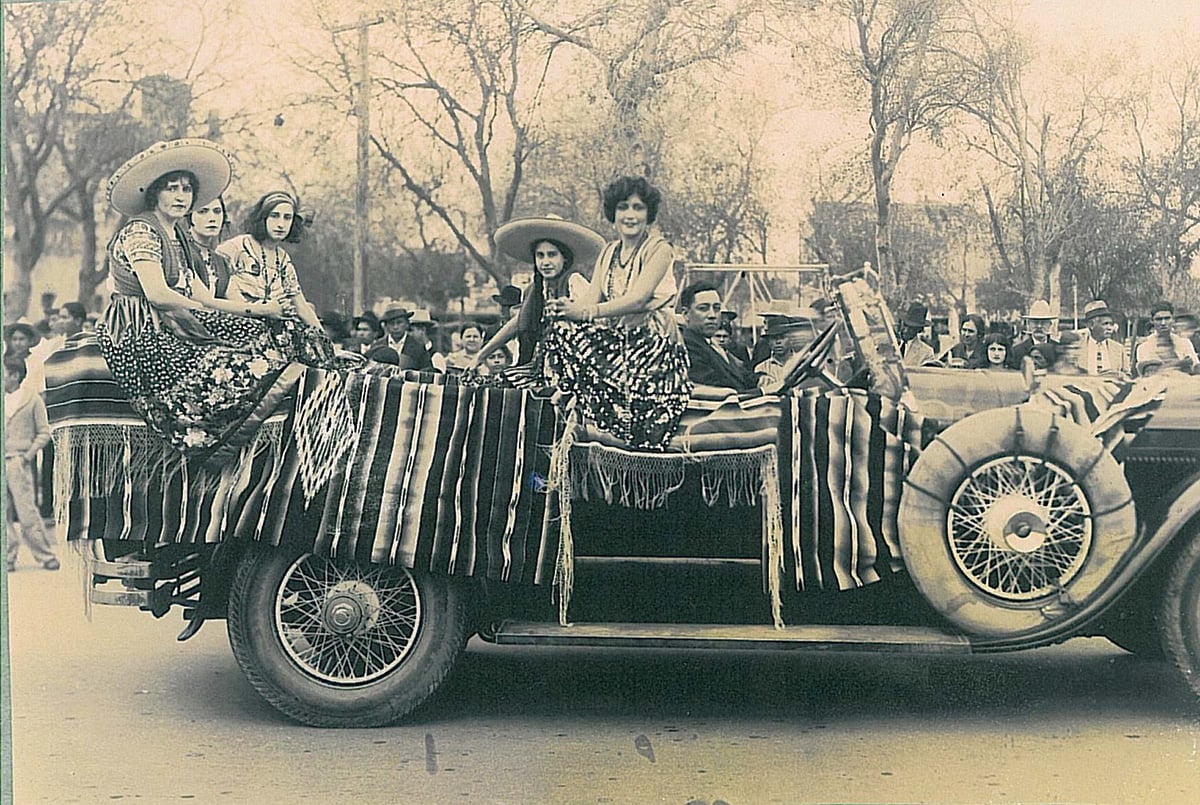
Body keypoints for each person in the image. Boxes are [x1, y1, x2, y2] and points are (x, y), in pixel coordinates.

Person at [95, 138, 323, 458]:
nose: (179, 196)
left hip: (176, 314)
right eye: (171, 188)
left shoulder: (179, 237)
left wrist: (256, 311)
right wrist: (204, 310)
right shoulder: (141, 232)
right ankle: (206, 433)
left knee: (277, 329)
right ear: (154, 193)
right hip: (137, 321)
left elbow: (204, 297)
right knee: (231, 354)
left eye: (186, 189)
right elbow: (158, 294)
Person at [540, 176, 691, 449]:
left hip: (653, 342)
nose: (630, 215)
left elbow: (637, 299)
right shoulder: (609, 252)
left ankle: (610, 398)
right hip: (617, 340)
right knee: (559, 329)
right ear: (613, 212)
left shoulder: (660, 249)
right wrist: (564, 308)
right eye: (623, 207)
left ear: (648, 214)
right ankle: (586, 398)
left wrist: (586, 313)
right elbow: (588, 300)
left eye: (638, 207)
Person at [471, 216, 604, 381]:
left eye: (552, 255)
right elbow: (518, 322)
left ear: (565, 258)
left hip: (575, 368)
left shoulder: (574, 282)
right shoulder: (536, 290)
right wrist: (481, 355)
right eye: (540, 256)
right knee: (499, 385)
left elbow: (595, 323)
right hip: (542, 365)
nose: (546, 262)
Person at [217, 191, 325, 336]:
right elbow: (218, 292)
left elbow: (302, 307)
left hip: (275, 332)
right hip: (239, 328)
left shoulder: (283, 260)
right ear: (263, 218)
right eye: (274, 216)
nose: (281, 224)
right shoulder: (235, 248)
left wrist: (328, 345)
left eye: (287, 218)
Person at [4, 357, 58, 572]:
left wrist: (28, 455)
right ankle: (7, 557)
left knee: (27, 512)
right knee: (3, 513)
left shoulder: (32, 399)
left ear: (15, 375)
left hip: (19, 461)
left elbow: (44, 432)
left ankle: (45, 555)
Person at [679, 281, 756, 391]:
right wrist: (762, 392)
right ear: (686, 314)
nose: (712, 315)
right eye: (703, 308)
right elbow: (715, 388)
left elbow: (740, 375)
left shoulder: (711, 344)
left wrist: (760, 378)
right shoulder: (688, 345)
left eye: (716, 308)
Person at [1136, 300, 1198, 376]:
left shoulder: (1184, 343)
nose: (1163, 323)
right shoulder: (1144, 347)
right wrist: (1181, 364)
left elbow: (1195, 366)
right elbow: (1151, 372)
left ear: (1173, 320)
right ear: (1152, 321)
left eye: (1167, 318)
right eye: (1158, 319)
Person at [188, 194, 232, 298]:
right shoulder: (183, 253)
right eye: (202, 211)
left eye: (217, 211)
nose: (212, 218)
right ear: (190, 216)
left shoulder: (221, 261)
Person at [1071, 300, 1129, 377]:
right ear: (1091, 325)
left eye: (1111, 324)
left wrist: (1119, 376)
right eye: (1105, 324)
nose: (1110, 328)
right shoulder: (1076, 349)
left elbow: (1128, 375)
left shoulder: (1119, 349)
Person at [369, 306, 433, 370]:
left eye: (399, 322)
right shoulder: (377, 346)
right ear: (386, 326)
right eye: (391, 323)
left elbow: (426, 371)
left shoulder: (418, 346)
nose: (395, 327)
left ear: (407, 324)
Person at [755, 316, 807, 389]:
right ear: (768, 342)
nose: (778, 342)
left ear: (791, 339)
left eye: (782, 337)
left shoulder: (801, 363)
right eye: (774, 338)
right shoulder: (761, 369)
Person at [1010, 300, 1061, 371]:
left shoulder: (1058, 350)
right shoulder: (1017, 351)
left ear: (1050, 324)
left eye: (1043, 322)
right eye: (1035, 322)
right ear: (1029, 324)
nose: (1039, 326)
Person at [897, 302, 938, 367]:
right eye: (905, 325)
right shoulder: (891, 345)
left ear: (918, 329)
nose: (905, 330)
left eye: (911, 328)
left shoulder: (926, 352)